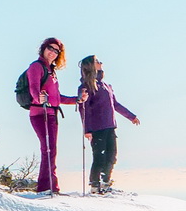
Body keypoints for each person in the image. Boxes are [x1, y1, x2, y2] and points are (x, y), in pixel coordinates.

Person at [76, 55, 140, 194]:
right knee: (99, 156)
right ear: (91, 66)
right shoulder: (86, 86)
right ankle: (94, 185)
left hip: (110, 125)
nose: (101, 63)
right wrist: (87, 130)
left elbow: (115, 105)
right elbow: (84, 109)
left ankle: (105, 183)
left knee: (112, 155)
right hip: (96, 127)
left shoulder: (106, 85)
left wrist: (131, 116)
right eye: (97, 61)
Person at [26, 37, 80, 195]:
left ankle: (49, 186)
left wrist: (75, 100)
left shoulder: (51, 71)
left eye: (57, 51)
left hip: (51, 114)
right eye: (50, 48)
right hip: (40, 113)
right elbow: (33, 88)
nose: (53, 52)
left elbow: (57, 97)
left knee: (51, 149)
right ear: (43, 48)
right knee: (48, 149)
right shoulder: (36, 67)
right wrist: (38, 98)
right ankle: (47, 187)